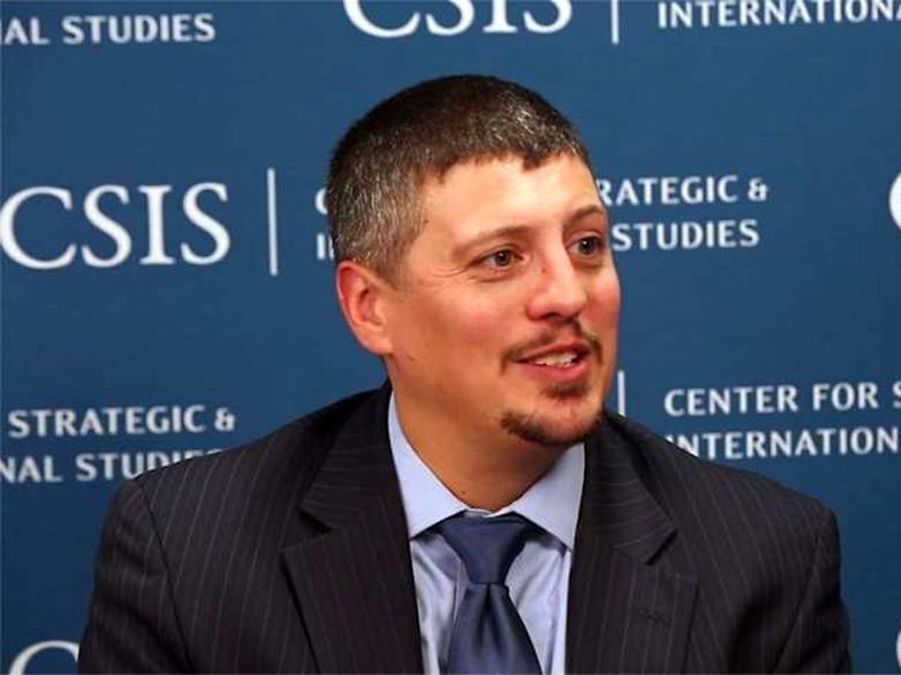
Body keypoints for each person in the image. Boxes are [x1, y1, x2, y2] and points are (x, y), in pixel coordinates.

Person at [78, 75, 851, 673]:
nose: (567, 294)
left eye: (586, 245)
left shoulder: (763, 556)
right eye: (502, 258)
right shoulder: (189, 552)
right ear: (371, 308)